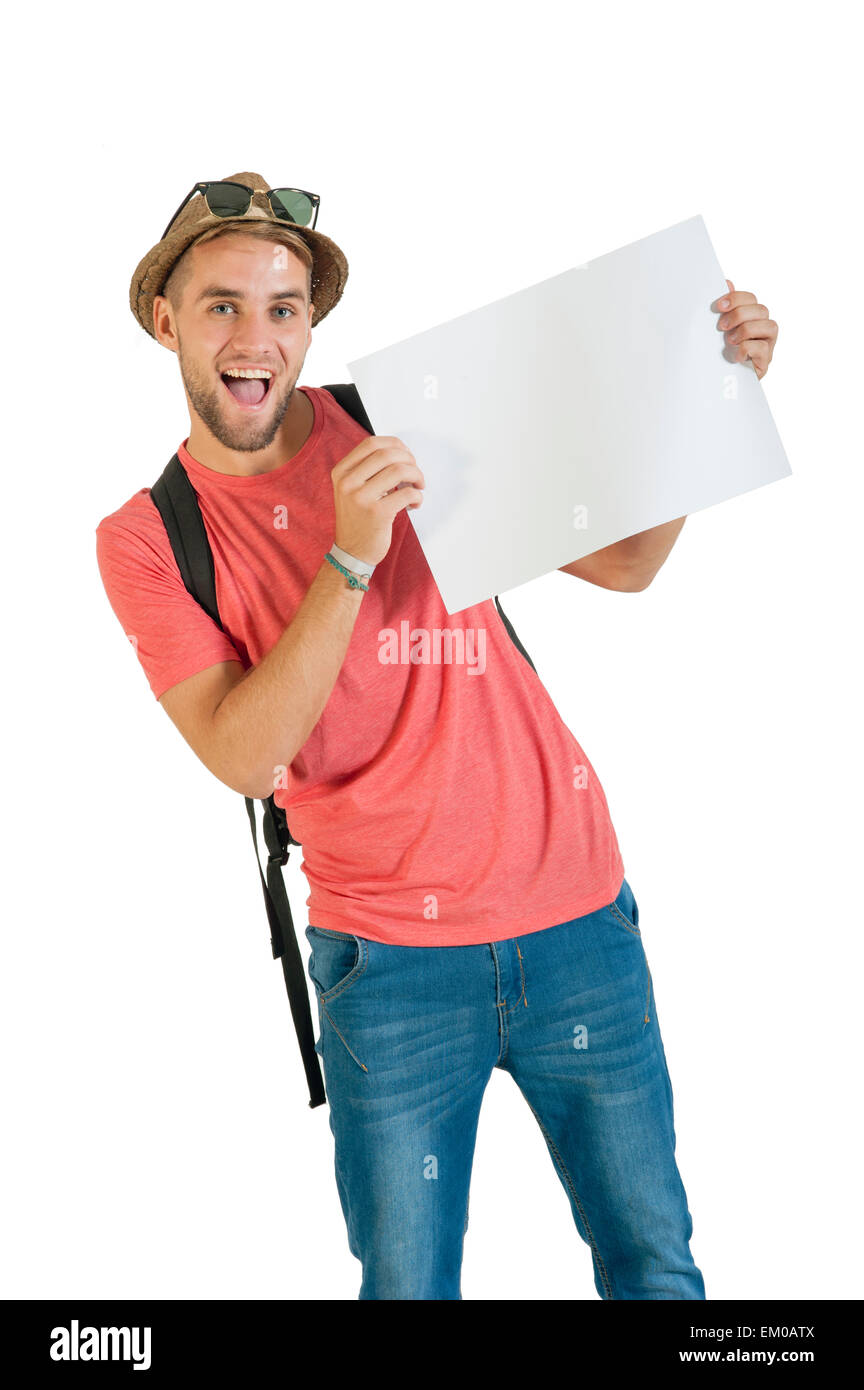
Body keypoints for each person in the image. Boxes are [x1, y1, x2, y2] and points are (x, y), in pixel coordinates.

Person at [96, 171, 778, 1301]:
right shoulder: (148, 537)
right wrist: (349, 557)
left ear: (312, 321)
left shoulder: (411, 421)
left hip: (580, 926)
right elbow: (242, 753)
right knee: (408, 1290)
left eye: (282, 307)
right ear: (167, 318)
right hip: (390, 969)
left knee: (656, 1270)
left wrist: (714, 398)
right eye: (221, 304)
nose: (254, 336)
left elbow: (626, 564)